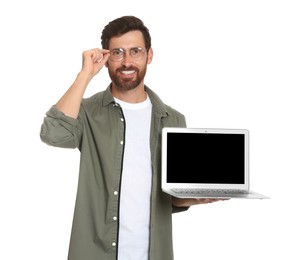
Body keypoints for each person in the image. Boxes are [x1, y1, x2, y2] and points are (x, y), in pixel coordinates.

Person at [40, 15, 221, 260]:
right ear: (105, 59)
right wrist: (85, 74)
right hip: (95, 253)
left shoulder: (173, 119)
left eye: (135, 51)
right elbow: (54, 134)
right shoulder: (87, 112)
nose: (126, 61)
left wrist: (193, 198)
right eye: (117, 53)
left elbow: (168, 199)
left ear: (149, 55)